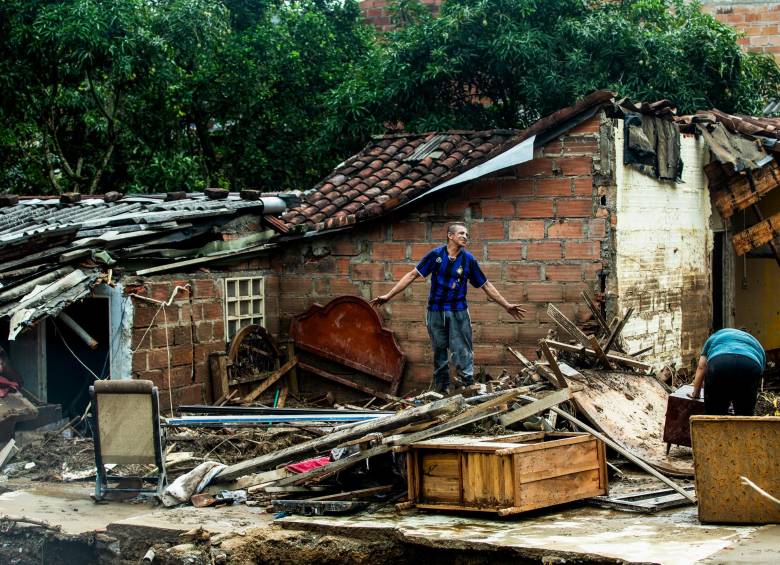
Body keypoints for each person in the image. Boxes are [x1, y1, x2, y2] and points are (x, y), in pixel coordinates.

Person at [370, 223, 526, 394]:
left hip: (458, 311)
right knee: (439, 352)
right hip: (435, 311)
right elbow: (412, 275)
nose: (465, 236)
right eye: (461, 233)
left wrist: (506, 305)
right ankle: (441, 390)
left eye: (467, 234)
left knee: (462, 350)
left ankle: (467, 387)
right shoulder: (436, 255)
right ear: (450, 236)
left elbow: (485, 285)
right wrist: (388, 295)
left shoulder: (469, 260)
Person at [688, 328, 765, 416]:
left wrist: (696, 393)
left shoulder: (716, 336)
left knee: (715, 415)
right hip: (750, 365)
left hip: (720, 363)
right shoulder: (755, 343)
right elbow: (760, 374)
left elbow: (701, 367)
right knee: (745, 416)